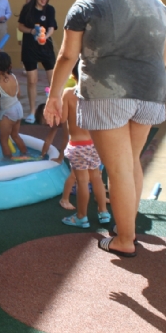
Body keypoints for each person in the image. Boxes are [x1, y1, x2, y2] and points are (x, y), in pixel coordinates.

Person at [44, 0, 166, 258]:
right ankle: (124, 228)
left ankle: (124, 239)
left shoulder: (88, 3)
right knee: (130, 163)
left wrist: (53, 97)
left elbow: (66, 56)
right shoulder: (157, 3)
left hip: (106, 93)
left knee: (117, 169)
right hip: (150, 91)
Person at [58, 65, 109, 228]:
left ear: (73, 75)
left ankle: (81, 217)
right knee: (97, 178)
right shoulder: (98, 94)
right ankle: (103, 212)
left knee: (81, 181)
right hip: (95, 144)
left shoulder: (68, 94)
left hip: (77, 145)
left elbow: (63, 118)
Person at [18, 0, 57, 123]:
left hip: (46, 48)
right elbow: (20, 25)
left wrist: (45, 36)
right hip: (30, 48)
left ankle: (53, 108)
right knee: (32, 80)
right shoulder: (27, 9)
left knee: (53, 81)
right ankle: (32, 112)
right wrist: (31, 31)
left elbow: (52, 27)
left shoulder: (50, 10)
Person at [0, 52, 28, 158]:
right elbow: (19, 94)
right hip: (18, 108)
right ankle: (26, 154)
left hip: (8, 113)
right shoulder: (14, 77)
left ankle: (8, 162)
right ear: (10, 66)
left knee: (3, 140)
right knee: (15, 135)